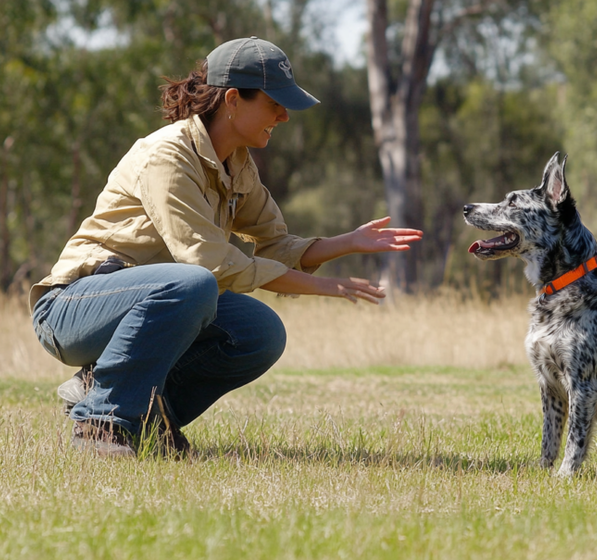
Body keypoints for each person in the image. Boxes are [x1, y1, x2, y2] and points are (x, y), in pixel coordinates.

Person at [29, 37, 422, 458]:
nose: (285, 116)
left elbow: (274, 243)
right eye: (275, 104)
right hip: (71, 309)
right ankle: (102, 422)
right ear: (233, 99)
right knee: (196, 284)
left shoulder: (238, 165)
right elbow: (210, 263)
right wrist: (327, 288)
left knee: (259, 332)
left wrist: (344, 244)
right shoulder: (167, 156)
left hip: (159, 299)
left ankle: (146, 420)